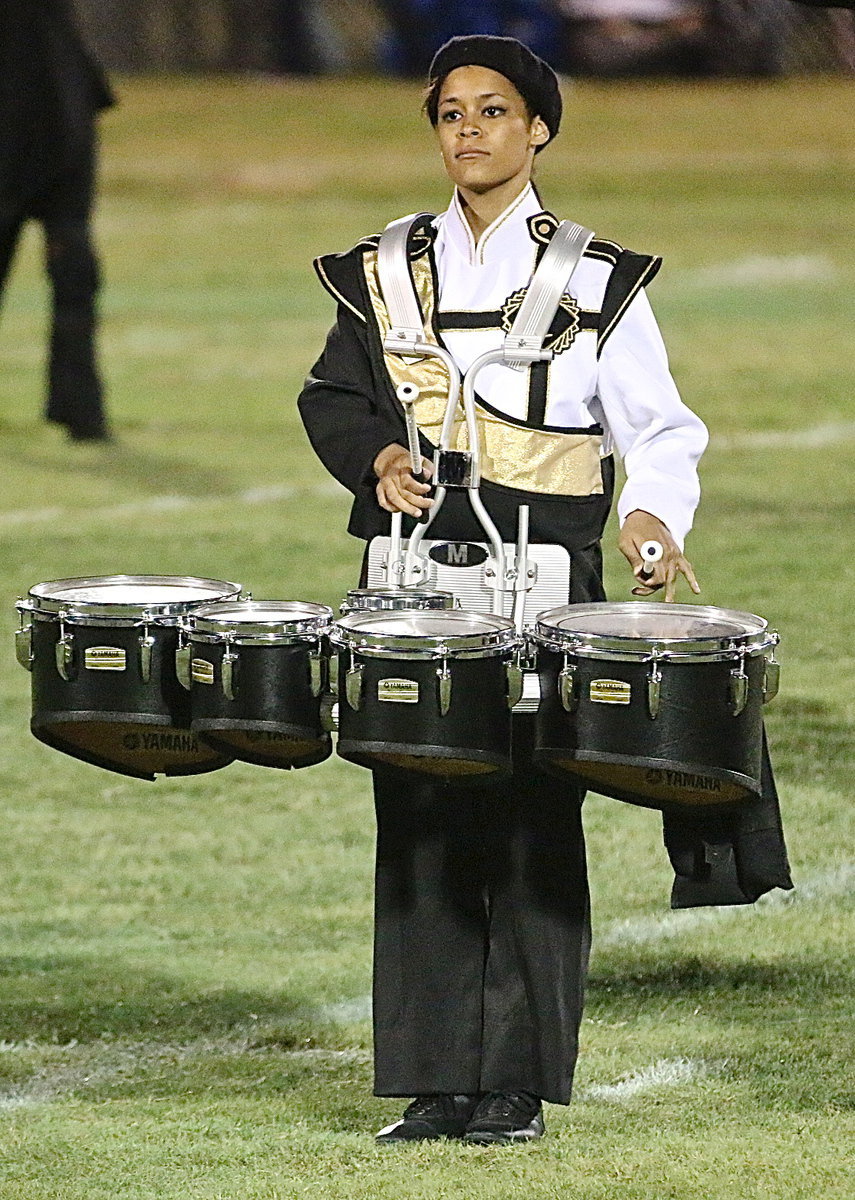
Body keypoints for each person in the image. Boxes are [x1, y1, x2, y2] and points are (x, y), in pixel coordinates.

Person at [298, 34, 791, 1144]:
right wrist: (374, 457)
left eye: (492, 111)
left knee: (528, 819)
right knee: (418, 809)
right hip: (409, 578)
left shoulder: (597, 278)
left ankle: (514, 1082)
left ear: (539, 131)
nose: (468, 130)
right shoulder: (385, 270)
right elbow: (332, 397)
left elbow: (659, 430)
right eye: (450, 114)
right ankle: (433, 1080)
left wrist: (653, 519)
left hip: (548, 577)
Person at [0, 0, 115, 441]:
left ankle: (80, 410)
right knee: (75, 277)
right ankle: (80, 412)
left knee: (75, 275)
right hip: (33, 127)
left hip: (60, 125)